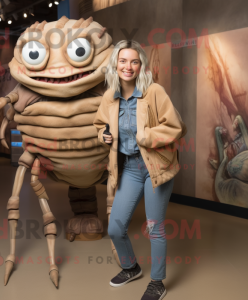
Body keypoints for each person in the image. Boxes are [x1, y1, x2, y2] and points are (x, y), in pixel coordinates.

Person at [93, 40, 187, 300]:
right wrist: (104, 135)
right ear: (115, 64)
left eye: (134, 61)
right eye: (123, 61)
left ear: (141, 65)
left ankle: (157, 282)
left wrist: (145, 136)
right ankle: (131, 267)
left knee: (154, 227)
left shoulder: (154, 91)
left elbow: (175, 126)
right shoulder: (109, 96)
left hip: (157, 165)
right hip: (131, 168)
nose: (128, 66)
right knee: (115, 227)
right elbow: (99, 125)